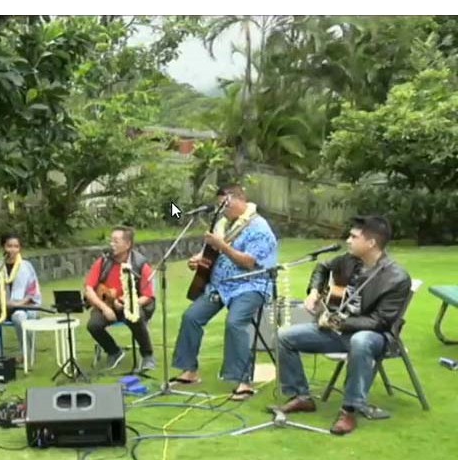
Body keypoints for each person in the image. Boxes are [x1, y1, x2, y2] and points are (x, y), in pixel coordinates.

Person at [275, 215, 411, 435]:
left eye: (354, 237)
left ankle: (350, 410)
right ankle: (301, 396)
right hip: (338, 329)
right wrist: (314, 292)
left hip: (374, 336)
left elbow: (380, 321)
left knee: (360, 341)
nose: (348, 240)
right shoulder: (349, 260)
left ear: (371, 243)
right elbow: (322, 267)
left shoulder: (397, 277)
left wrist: (337, 321)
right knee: (284, 336)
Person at [170, 184, 279, 400]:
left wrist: (222, 245)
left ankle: (243, 382)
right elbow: (213, 253)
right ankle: (189, 371)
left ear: (238, 199)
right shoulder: (223, 225)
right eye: (219, 206)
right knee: (191, 317)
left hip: (251, 285)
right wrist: (200, 260)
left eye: (224, 205)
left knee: (235, 323)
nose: (221, 210)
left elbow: (248, 262)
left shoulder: (259, 227)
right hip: (221, 285)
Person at [83, 226, 157, 372]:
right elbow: (89, 289)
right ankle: (114, 352)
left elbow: (148, 296)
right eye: (111, 241)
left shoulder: (141, 264)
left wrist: (127, 303)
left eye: (116, 241)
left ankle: (147, 355)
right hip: (107, 304)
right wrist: (105, 308)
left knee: (134, 315)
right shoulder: (103, 261)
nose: (112, 244)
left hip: (130, 304)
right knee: (93, 325)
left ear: (127, 244)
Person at [0, 233, 42, 358]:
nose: (12, 250)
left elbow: (33, 292)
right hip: (2, 307)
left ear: (20, 248)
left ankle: (26, 354)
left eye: (16, 246)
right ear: (3, 247)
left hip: (23, 307)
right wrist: (0, 301)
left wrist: (17, 303)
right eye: (9, 246)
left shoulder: (26, 266)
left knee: (18, 317)